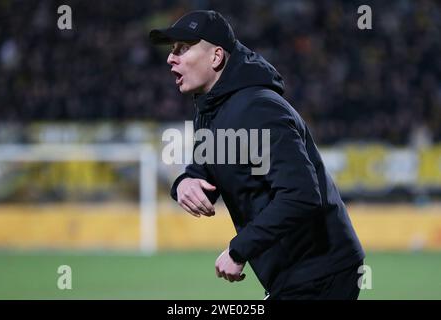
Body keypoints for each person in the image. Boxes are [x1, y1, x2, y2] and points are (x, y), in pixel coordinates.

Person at [149, 10, 365, 300]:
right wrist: (184, 183)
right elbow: (203, 171)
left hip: (320, 273)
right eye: (172, 49)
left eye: (183, 49)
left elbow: (300, 195)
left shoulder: (259, 108)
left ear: (216, 57)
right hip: (292, 274)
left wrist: (239, 250)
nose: (170, 58)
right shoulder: (208, 108)